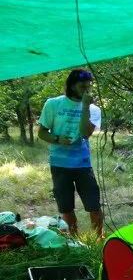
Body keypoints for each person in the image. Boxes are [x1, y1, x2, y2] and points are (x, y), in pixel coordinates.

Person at [38, 69, 104, 239]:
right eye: (83, 87)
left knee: (93, 204)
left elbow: (85, 133)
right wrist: (57, 138)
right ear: (71, 86)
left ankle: (99, 240)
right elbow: (42, 132)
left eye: (88, 87)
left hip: (82, 163)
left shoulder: (93, 109)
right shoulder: (53, 104)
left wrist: (85, 107)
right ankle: (73, 240)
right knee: (65, 206)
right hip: (59, 164)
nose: (86, 91)